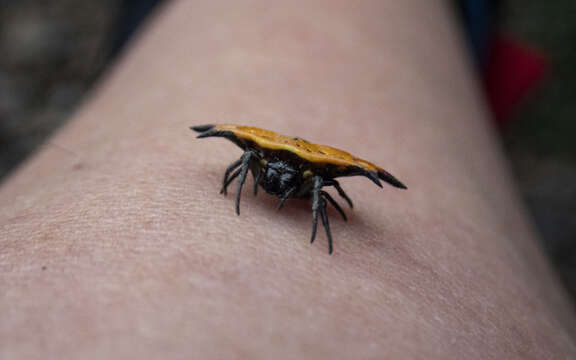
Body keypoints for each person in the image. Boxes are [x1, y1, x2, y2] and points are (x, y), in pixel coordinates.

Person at [1, 1, 575, 358]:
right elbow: (243, 159)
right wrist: (235, 180)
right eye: (258, 168)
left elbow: (329, 185)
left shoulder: (311, 182)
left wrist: (329, 207)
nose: (267, 173)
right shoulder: (258, 163)